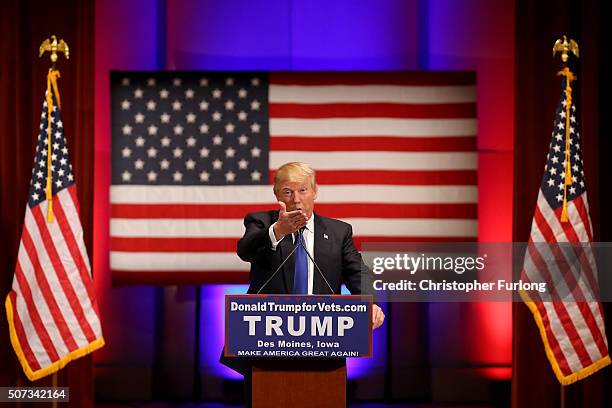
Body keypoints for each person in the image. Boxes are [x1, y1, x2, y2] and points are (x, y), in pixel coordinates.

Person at [237, 161, 385, 327]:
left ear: (314, 192)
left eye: (303, 190)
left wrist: (370, 303)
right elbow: (245, 251)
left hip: (321, 331)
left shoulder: (339, 231)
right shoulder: (261, 222)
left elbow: (356, 272)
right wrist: (277, 231)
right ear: (276, 194)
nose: (296, 199)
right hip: (267, 330)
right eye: (287, 192)